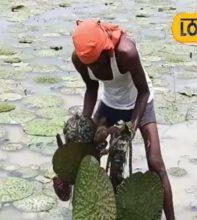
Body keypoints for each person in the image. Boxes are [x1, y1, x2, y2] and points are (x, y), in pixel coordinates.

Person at [71, 19, 175, 220]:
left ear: (106, 51)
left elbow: (143, 92)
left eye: (97, 62)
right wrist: (85, 122)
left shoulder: (126, 52)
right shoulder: (79, 59)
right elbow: (92, 88)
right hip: (110, 104)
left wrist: (131, 126)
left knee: (155, 162)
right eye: (89, 64)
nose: (95, 68)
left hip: (139, 102)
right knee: (87, 152)